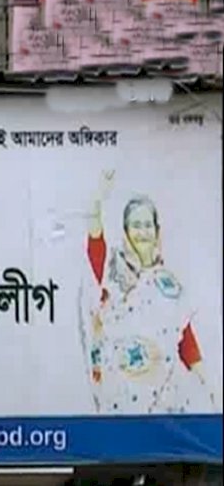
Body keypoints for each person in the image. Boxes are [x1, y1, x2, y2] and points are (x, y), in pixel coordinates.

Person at [79, 170, 216, 414]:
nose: (142, 232)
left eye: (147, 225)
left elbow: (184, 339)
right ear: (126, 231)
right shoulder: (111, 270)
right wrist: (98, 198)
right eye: (136, 226)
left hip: (162, 402)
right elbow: (94, 240)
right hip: (119, 400)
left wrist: (213, 388)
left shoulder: (168, 284)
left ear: (156, 231)